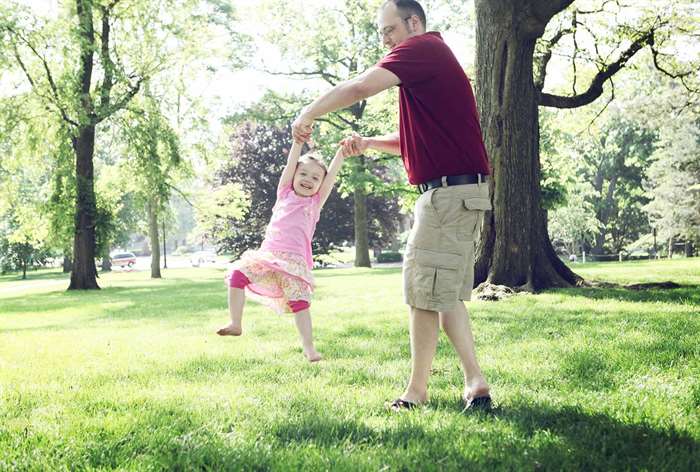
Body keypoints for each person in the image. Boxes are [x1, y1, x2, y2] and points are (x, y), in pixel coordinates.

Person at [292, 0, 493, 409]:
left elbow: (360, 87)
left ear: (413, 23)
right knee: (444, 296)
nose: (385, 40)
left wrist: (309, 112)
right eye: (381, 33)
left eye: (389, 30)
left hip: (447, 198)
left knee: (423, 293)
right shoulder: (432, 65)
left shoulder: (422, 49)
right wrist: (367, 144)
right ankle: (476, 383)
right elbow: (414, 143)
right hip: (460, 193)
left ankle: (416, 394)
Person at [217, 140, 349, 363]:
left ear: (320, 184)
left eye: (315, 178)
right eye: (303, 174)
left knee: (300, 303)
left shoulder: (315, 203)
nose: (308, 179)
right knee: (237, 274)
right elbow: (290, 164)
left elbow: (332, 176)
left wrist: (341, 153)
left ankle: (309, 349)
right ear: (294, 176)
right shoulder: (284, 194)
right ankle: (236, 323)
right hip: (268, 257)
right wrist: (298, 142)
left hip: (294, 263)